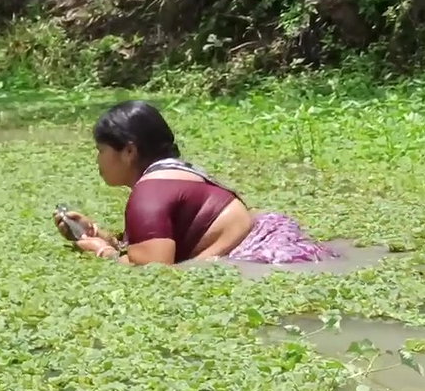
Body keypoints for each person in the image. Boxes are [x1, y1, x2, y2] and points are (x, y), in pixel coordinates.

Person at [54, 100, 339, 266]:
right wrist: (100, 234)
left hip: (264, 261)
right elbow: (167, 241)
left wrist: (100, 252)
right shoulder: (175, 173)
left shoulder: (147, 195)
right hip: (280, 243)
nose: (97, 160)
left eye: (101, 150)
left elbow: (155, 270)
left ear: (129, 151)